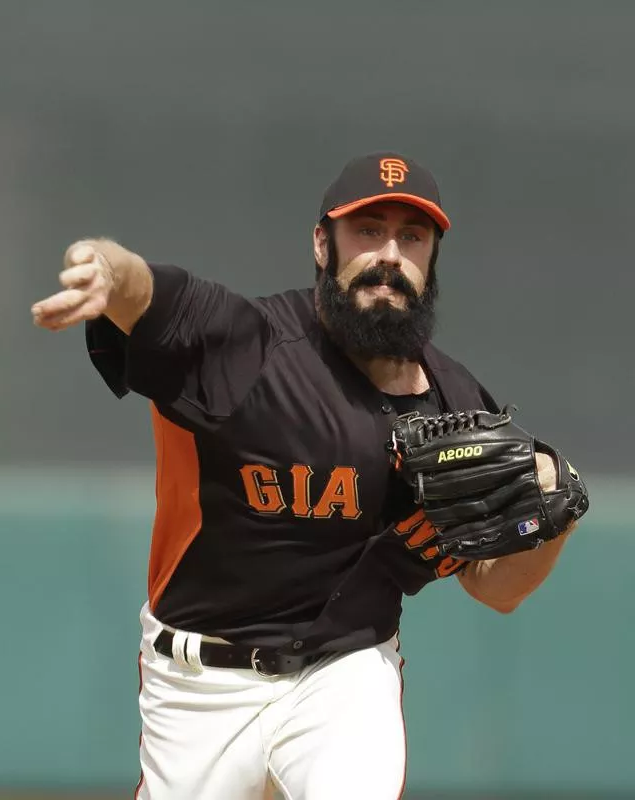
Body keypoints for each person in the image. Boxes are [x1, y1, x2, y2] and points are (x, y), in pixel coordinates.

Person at [31, 152, 581, 800]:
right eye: (368, 230)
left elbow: (498, 589)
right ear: (323, 244)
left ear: (432, 258)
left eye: (412, 237)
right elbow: (143, 290)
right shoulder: (248, 350)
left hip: (344, 673)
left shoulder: (454, 406)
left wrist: (555, 512)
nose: (389, 254)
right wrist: (104, 267)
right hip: (200, 681)